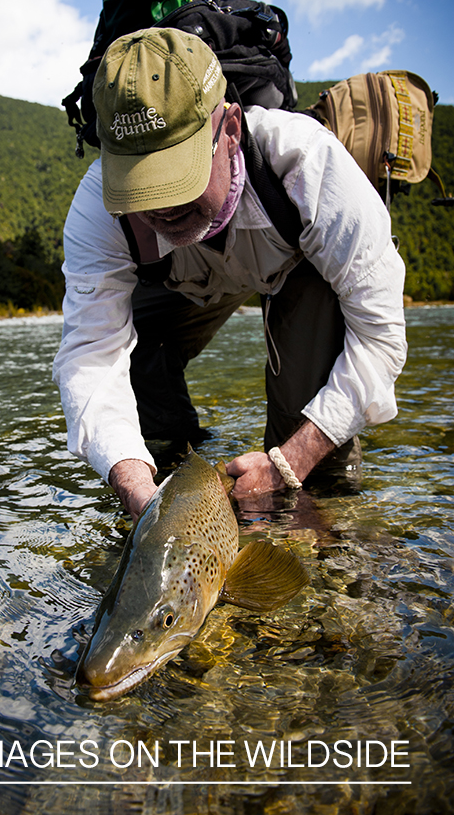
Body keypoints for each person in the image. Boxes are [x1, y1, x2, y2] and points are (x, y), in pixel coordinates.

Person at [53, 27, 407, 520]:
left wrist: (291, 461)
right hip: (182, 285)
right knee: (144, 429)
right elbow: (92, 352)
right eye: (139, 186)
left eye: (178, 175)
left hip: (292, 273)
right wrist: (133, 480)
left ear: (232, 131)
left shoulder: (307, 159)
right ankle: (176, 463)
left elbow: (381, 338)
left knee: (307, 470)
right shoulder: (97, 207)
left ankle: (328, 547)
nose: (160, 205)